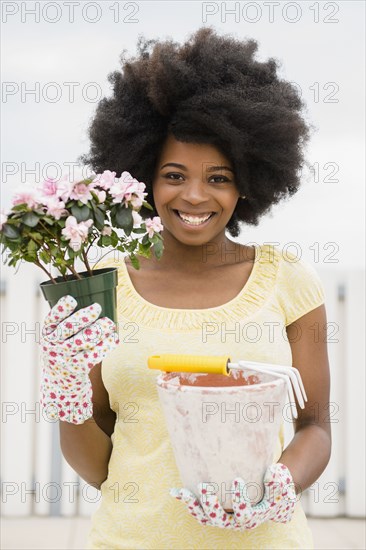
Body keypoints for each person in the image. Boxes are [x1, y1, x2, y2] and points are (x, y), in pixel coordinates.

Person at [40, 27, 331, 549]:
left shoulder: (290, 282)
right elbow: (99, 467)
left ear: (248, 183)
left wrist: (282, 485)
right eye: (174, 175)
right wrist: (68, 397)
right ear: (144, 177)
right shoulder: (100, 286)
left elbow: (315, 427)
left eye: (218, 178)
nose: (194, 196)